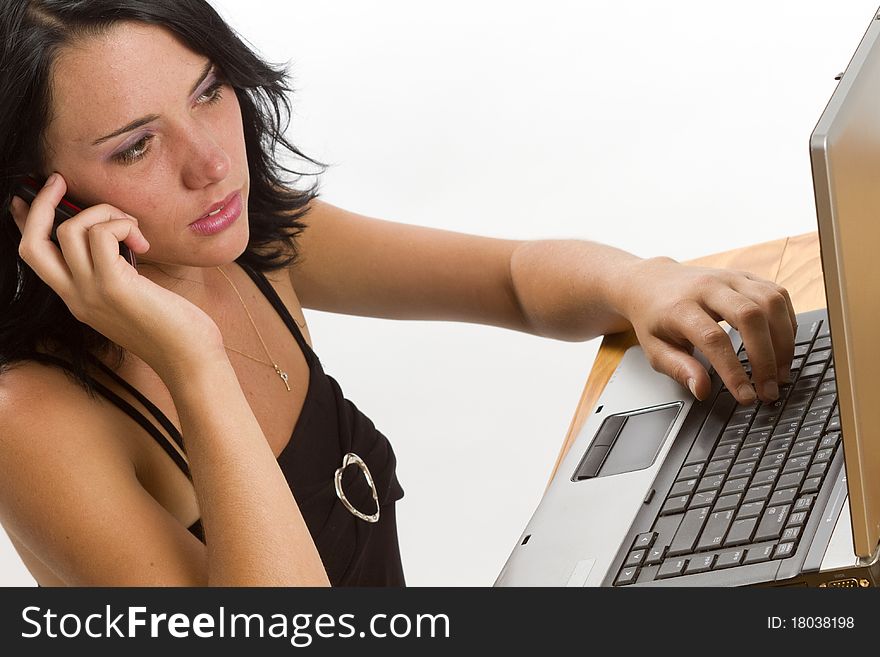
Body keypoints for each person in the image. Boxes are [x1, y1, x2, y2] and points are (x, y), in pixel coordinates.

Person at [0, 0, 797, 587]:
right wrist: (195, 364)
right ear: (40, 197)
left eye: (208, 91)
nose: (210, 163)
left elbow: (512, 280)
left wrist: (640, 278)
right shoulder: (29, 421)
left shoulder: (238, 242)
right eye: (137, 146)